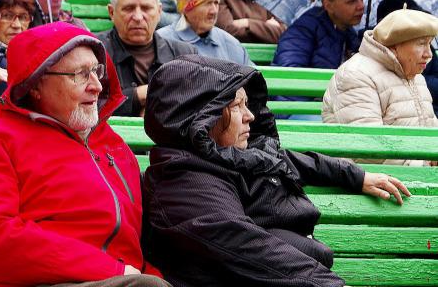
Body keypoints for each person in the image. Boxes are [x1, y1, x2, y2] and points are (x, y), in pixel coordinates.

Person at [142, 55, 410, 287]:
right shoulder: (184, 180)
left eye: (247, 104)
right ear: (201, 118)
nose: (250, 116)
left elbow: (291, 161)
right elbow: (248, 246)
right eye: (236, 106)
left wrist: (357, 177)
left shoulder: (231, 154)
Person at [0, 21, 169, 287]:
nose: (97, 86)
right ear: (35, 84)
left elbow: (135, 246)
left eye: (97, 71)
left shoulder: (112, 144)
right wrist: (115, 271)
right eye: (80, 74)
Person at [98, 0, 196, 117]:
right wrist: (137, 96)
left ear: (159, 11)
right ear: (112, 12)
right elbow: (90, 106)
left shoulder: (184, 54)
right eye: (129, 8)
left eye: (146, 8)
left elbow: (196, 105)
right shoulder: (94, 53)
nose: (138, 17)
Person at [323, 7, 438, 127]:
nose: (428, 54)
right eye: (421, 44)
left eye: (429, 44)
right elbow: (367, 140)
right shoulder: (356, 76)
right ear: (395, 45)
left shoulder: (416, 76)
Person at [157, 0, 252, 66]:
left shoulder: (230, 44)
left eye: (216, 3)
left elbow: (254, 78)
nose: (214, 11)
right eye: (207, 3)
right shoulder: (162, 42)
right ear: (185, 7)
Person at [273, 0, 364, 69]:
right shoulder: (305, 29)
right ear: (328, 6)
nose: (361, 6)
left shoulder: (349, 33)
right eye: (351, 1)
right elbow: (289, 71)